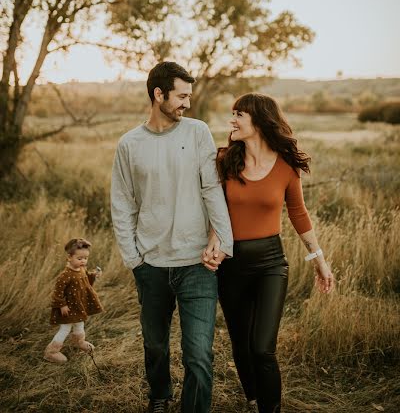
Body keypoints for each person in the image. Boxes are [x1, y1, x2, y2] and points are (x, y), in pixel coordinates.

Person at [110, 61, 233, 413]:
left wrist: (222, 242)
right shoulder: (129, 144)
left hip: (198, 264)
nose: (187, 104)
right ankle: (160, 396)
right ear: (158, 94)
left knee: (198, 355)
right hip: (151, 265)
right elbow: (122, 205)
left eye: (189, 96)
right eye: (181, 96)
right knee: (156, 346)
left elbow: (213, 189)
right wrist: (134, 260)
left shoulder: (197, 133)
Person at [202, 93, 334, 413]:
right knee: (242, 345)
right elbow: (213, 210)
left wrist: (320, 261)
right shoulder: (224, 160)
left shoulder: (286, 165)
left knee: (263, 348)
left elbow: (299, 215)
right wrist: (213, 242)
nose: (232, 120)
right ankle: (252, 398)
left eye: (239, 115)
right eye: (232, 114)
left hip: (271, 263)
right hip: (231, 265)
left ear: (258, 121)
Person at [44, 238, 103, 364]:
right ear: (70, 257)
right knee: (65, 329)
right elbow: (57, 292)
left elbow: (85, 279)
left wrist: (93, 276)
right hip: (68, 308)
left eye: (85, 258)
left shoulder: (81, 270)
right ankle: (51, 352)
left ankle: (79, 342)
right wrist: (62, 305)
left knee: (79, 324)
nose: (83, 261)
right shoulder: (65, 275)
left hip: (78, 306)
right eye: (80, 258)